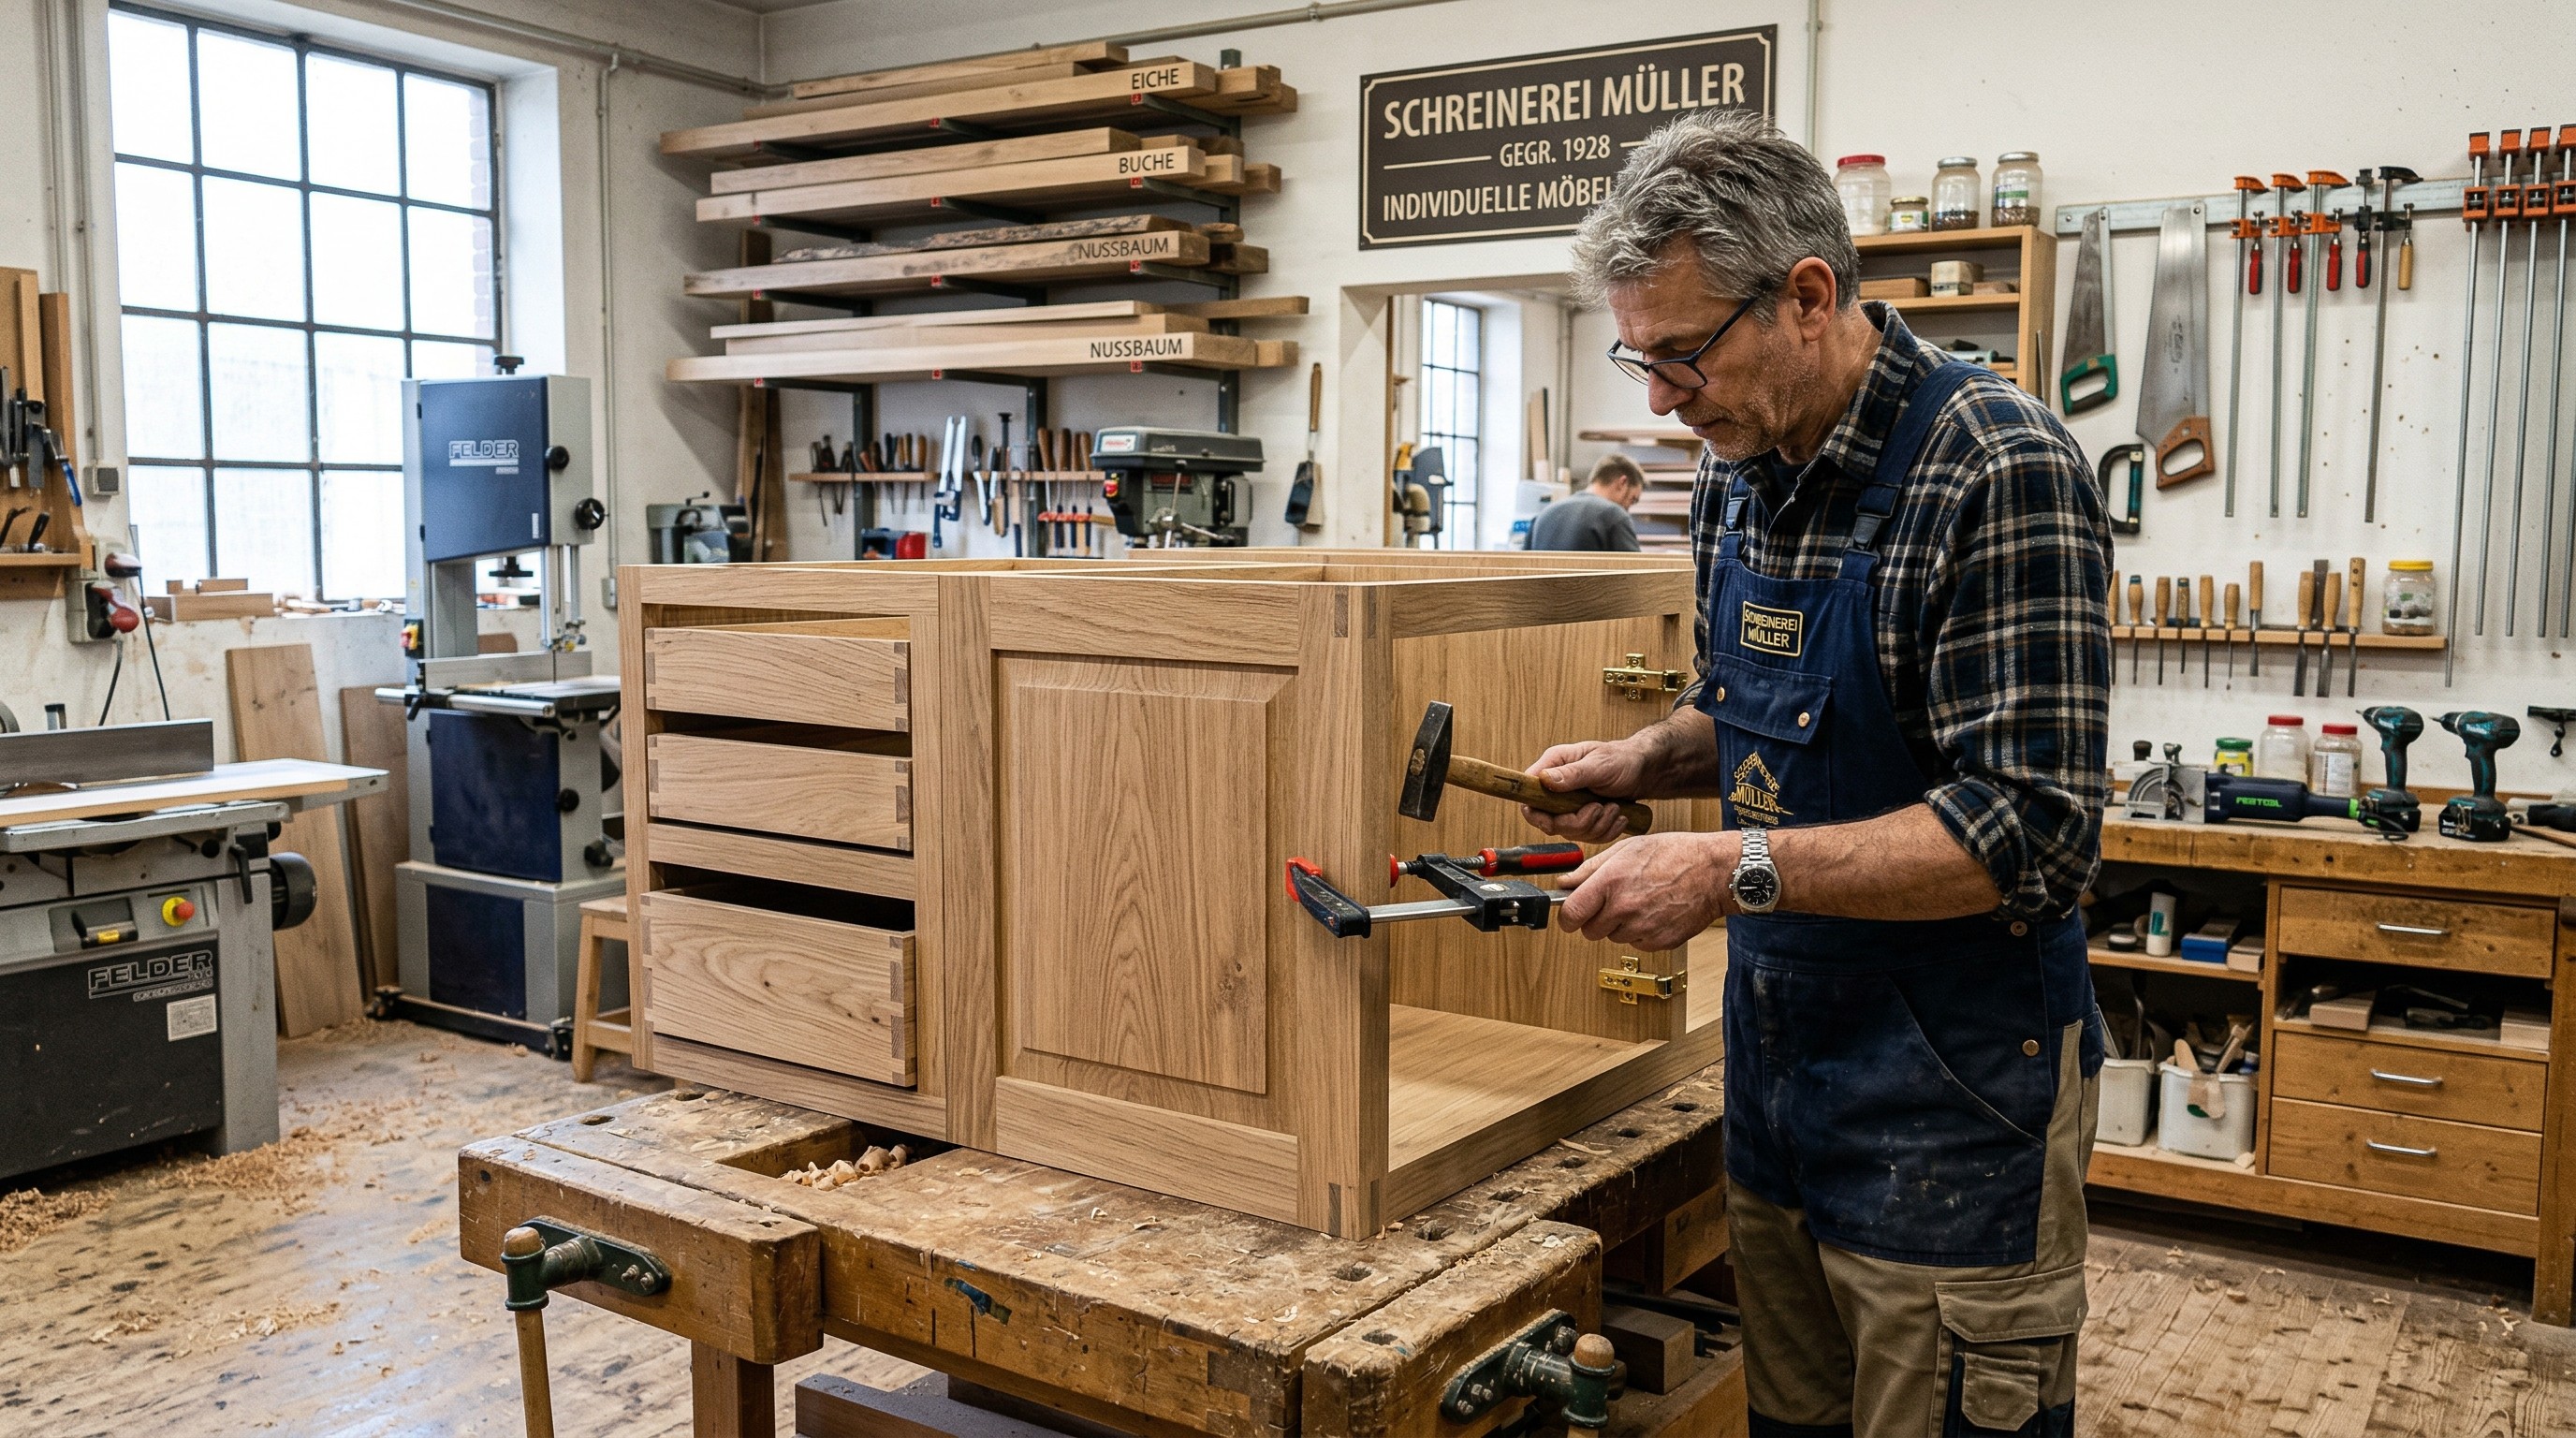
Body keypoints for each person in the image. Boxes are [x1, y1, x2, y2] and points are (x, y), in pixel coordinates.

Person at [1526, 110, 2112, 1438]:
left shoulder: (1995, 466)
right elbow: (1761, 716)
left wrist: (1726, 867)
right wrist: (1648, 759)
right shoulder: (1743, 468)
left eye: (1682, 355)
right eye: (1641, 357)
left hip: (1958, 1097)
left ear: (1806, 297)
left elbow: (2033, 831)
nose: (1660, 399)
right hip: (1786, 1075)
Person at [1528, 454, 1646, 550]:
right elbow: (1636, 575)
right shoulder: (1614, 516)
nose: (1628, 509)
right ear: (1622, 483)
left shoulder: (1543, 515)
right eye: (1632, 499)